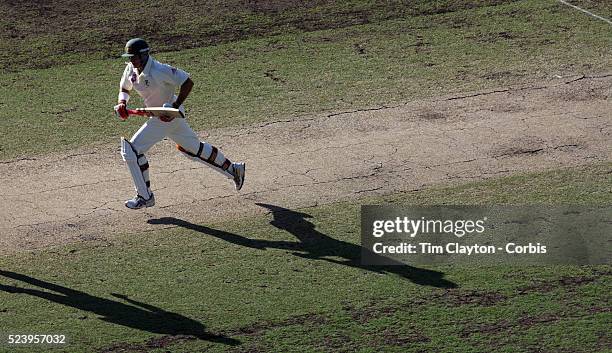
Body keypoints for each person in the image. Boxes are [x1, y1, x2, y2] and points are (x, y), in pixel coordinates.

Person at [114, 38, 245, 210]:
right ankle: (234, 169)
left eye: (135, 56)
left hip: (167, 116)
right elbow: (125, 88)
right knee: (194, 149)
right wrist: (122, 103)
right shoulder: (131, 68)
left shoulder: (160, 70)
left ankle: (144, 196)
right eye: (129, 57)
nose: (132, 60)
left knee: (131, 150)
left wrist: (174, 106)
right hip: (160, 116)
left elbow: (187, 82)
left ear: (144, 55)